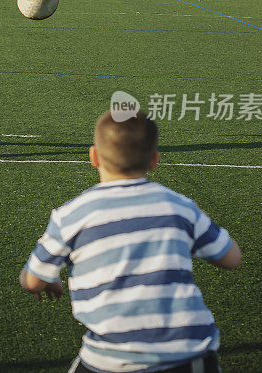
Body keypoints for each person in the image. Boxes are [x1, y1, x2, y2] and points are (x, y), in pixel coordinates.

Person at [19, 110, 242, 373]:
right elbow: (231, 258)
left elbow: (32, 281)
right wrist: (199, 217)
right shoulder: (180, 207)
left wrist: (52, 280)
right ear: (154, 160)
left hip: (111, 358)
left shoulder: (72, 215)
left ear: (93, 156)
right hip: (189, 352)